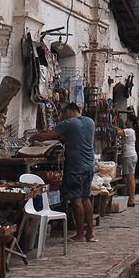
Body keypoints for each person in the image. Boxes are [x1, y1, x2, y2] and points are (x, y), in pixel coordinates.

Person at [35, 102, 97, 242]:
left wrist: (33, 138)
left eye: (62, 114)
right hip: (89, 165)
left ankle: (80, 234)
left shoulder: (68, 123)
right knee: (86, 198)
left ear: (69, 111)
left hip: (76, 167)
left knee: (76, 200)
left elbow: (46, 136)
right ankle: (90, 233)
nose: (61, 118)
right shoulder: (90, 122)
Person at [118, 111, 139, 207]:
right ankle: (130, 198)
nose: (126, 122)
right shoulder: (130, 131)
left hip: (128, 156)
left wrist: (111, 125)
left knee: (130, 178)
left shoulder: (129, 131)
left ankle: (131, 199)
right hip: (131, 155)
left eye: (127, 120)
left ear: (130, 122)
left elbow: (118, 132)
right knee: (130, 177)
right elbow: (121, 130)